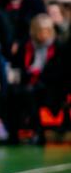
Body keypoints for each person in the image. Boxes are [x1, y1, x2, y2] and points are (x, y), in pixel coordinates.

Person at [10, 14, 59, 144]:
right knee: (13, 92)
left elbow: (58, 72)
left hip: (51, 86)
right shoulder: (26, 46)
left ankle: (38, 131)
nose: (43, 34)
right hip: (29, 83)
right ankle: (13, 132)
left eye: (47, 30)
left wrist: (38, 76)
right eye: (40, 30)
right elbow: (17, 66)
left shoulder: (58, 46)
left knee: (31, 93)